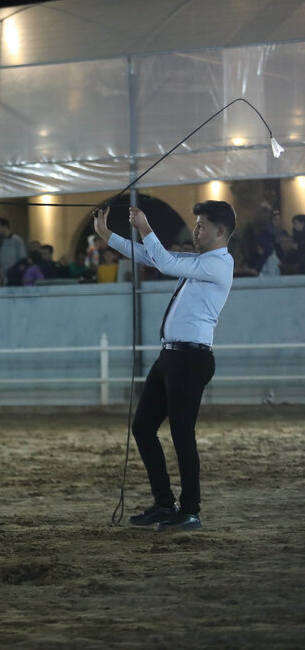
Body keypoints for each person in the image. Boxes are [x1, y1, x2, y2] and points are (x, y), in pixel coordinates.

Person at [94, 200, 236, 531]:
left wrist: (145, 228)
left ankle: (190, 510)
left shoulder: (219, 264)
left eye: (201, 225)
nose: (196, 230)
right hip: (172, 357)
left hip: (190, 358)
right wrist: (107, 234)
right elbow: (150, 256)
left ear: (220, 232)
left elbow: (165, 261)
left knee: (182, 434)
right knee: (143, 428)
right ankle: (164, 503)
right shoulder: (200, 262)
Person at [0, 217, 26, 285]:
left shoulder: (17, 240)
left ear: (5, 227)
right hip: (1, 275)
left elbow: (22, 257)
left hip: (14, 274)